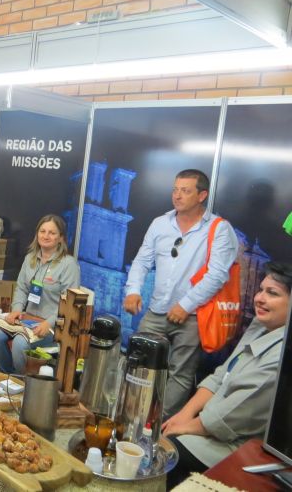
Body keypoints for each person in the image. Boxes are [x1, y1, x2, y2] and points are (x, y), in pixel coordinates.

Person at [163, 261, 292, 487]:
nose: (259, 298)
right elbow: (221, 376)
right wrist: (183, 416)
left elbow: (228, 416)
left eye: (272, 293)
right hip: (206, 427)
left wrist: (183, 428)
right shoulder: (260, 327)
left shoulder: (282, 356)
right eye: (261, 290)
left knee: (161, 454)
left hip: (232, 445)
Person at [123, 169, 238, 417]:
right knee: (139, 362)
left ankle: (160, 428)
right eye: (175, 189)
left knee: (180, 374)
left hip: (193, 316)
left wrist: (186, 305)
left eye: (185, 191)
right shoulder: (160, 223)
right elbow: (142, 261)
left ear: (202, 196)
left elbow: (218, 275)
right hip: (157, 310)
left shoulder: (219, 229)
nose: (177, 195)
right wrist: (133, 290)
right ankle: (131, 416)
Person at [0, 214, 80, 374]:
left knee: (19, 343)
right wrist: (17, 310)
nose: (46, 236)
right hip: (27, 321)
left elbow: (69, 304)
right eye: (42, 231)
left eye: (52, 233)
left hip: (52, 327)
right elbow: (22, 288)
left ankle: (22, 381)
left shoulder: (68, 264)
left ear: (61, 238)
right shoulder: (29, 258)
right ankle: (8, 376)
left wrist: (49, 323)